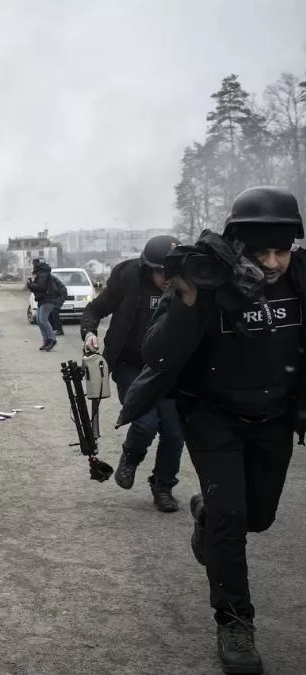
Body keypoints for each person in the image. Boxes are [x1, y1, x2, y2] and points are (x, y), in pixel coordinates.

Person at [118, 186, 305, 673]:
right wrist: (185, 300)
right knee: (230, 520)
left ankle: (205, 517)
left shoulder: (301, 281)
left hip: (274, 418)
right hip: (215, 417)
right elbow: (158, 353)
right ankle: (234, 623)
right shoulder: (208, 282)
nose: (270, 262)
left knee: (257, 517)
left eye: (280, 251)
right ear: (237, 246)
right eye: (259, 251)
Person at [80, 235, 184, 513]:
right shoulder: (128, 280)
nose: (165, 278)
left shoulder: (187, 287)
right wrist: (89, 332)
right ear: (148, 268)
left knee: (174, 433)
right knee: (145, 423)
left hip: (170, 369)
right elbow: (94, 309)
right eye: (160, 271)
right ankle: (130, 459)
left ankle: (163, 486)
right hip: (130, 365)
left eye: (170, 272)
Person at [27, 258, 67, 351]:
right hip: (42, 299)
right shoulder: (41, 273)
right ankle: (46, 340)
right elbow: (39, 288)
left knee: (43, 320)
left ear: (37, 265)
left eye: (34, 264)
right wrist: (31, 285)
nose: (33, 266)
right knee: (38, 320)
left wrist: (30, 285)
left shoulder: (43, 274)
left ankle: (52, 339)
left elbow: (41, 287)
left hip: (47, 300)